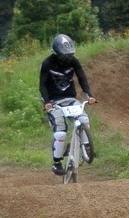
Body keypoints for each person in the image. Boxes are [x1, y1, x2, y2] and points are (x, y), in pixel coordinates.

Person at [39, 34, 97, 175]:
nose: (67, 58)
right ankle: (57, 162)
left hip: (70, 99)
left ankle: (86, 148)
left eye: (70, 55)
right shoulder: (47, 63)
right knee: (60, 131)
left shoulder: (74, 62)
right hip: (53, 101)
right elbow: (42, 85)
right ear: (57, 53)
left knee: (84, 118)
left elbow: (82, 77)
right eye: (64, 56)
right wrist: (47, 102)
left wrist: (89, 95)